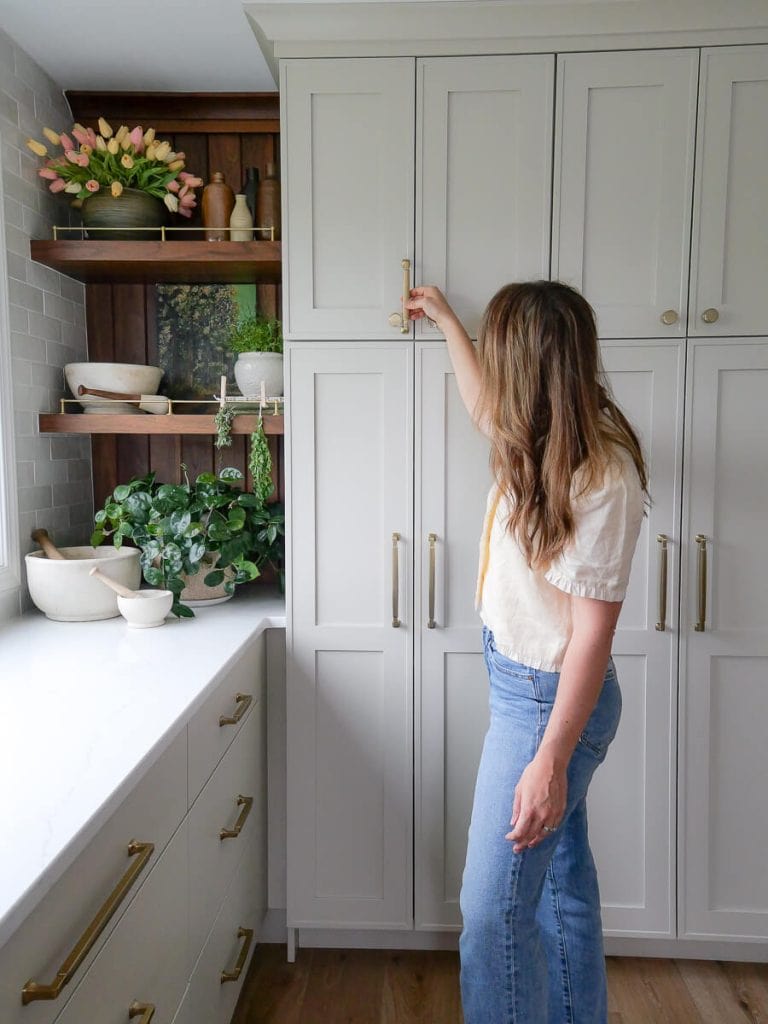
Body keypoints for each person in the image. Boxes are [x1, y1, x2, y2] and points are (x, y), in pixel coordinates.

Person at [405, 281, 647, 1024]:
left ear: (530, 363)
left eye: (498, 346)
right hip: (522, 684)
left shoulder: (603, 473)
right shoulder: (532, 433)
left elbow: (591, 639)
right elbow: (484, 408)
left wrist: (548, 760)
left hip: (549, 702)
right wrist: (447, 321)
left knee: (492, 913)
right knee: (561, 882)